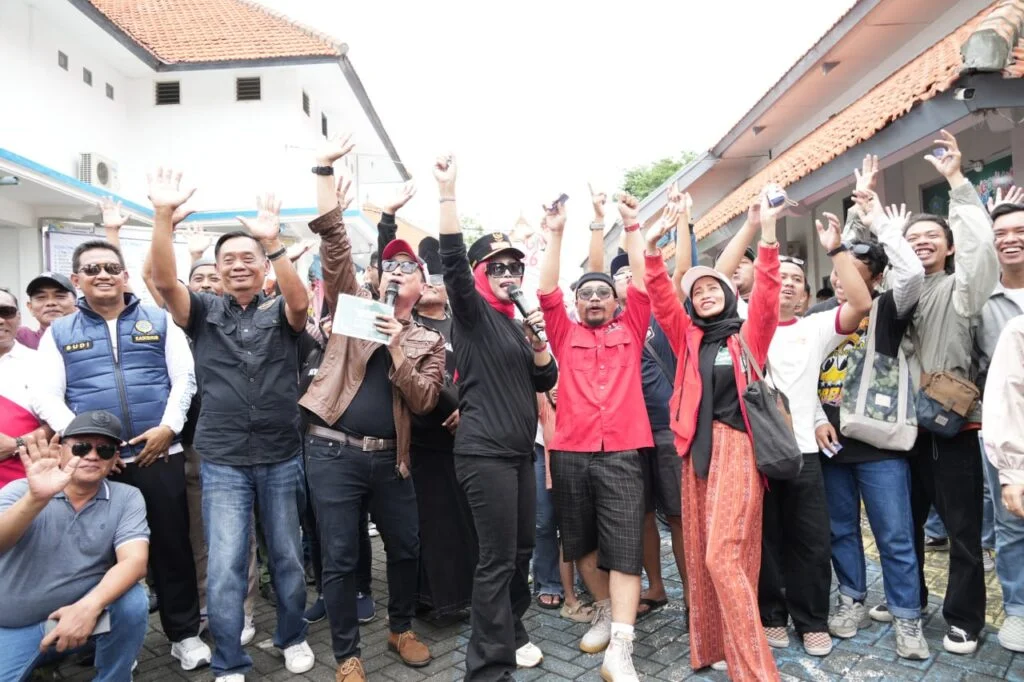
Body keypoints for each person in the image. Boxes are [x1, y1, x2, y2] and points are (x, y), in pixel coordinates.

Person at [147, 169, 315, 680]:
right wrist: (162, 217)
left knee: (287, 557)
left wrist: (275, 243)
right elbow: (163, 282)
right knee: (224, 566)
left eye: (248, 257)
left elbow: (301, 304)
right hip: (222, 459)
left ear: (264, 267)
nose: (238, 265)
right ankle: (228, 659)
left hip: (280, 454)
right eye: (228, 260)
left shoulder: (280, 310)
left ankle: (292, 636)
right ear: (217, 270)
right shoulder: (201, 311)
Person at [300, 139, 446, 682]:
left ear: (422, 285)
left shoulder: (428, 340)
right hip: (332, 454)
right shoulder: (354, 309)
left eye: (409, 267)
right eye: (391, 265)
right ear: (379, 277)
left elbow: (425, 400)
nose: (398, 271)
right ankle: (347, 655)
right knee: (339, 557)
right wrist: (324, 171)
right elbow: (335, 247)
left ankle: (400, 628)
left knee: (406, 547)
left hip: (392, 460)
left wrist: (396, 346)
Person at [31, 238, 210, 671]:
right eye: (92, 269)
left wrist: (168, 428)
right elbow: (45, 396)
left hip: (159, 455)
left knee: (171, 546)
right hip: (94, 464)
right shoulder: (60, 333)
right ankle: (115, 645)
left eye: (111, 267)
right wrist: (92, 445)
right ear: (77, 280)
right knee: (99, 556)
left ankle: (184, 634)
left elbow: (184, 379)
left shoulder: (160, 320)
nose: (103, 275)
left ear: (125, 275)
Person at [101, 197, 261, 644]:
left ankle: (243, 610)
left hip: (232, 445)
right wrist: (160, 226)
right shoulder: (176, 319)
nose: (208, 284)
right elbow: (154, 277)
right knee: (195, 536)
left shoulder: (241, 322)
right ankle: (206, 608)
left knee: (239, 535)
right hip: (186, 445)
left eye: (214, 277)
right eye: (199, 278)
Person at [643, 189, 782, 680]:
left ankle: (755, 669)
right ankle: (713, 646)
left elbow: (768, 292)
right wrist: (650, 243)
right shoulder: (688, 337)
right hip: (693, 454)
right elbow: (661, 294)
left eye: (712, 287)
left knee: (724, 555)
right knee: (707, 558)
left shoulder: (747, 335)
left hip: (738, 447)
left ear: (729, 293)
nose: (704, 293)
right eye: (697, 290)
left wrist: (767, 231)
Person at [435, 154, 558, 681]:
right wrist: (447, 193)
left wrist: (537, 341)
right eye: (497, 267)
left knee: (522, 550)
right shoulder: (472, 314)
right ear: (481, 275)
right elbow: (452, 263)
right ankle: (487, 669)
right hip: (483, 453)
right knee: (497, 559)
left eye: (515, 267)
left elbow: (546, 381)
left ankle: (511, 630)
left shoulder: (515, 323)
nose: (508, 275)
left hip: (518, 453)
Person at [537, 191, 655, 682]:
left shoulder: (632, 326)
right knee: (580, 544)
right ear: (577, 302)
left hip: (623, 451)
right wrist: (557, 231)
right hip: (570, 452)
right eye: (585, 293)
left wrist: (632, 224)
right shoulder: (564, 333)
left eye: (602, 293)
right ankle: (605, 610)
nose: (593, 299)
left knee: (624, 548)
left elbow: (643, 283)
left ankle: (621, 647)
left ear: (615, 301)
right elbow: (547, 290)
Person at [807, 188, 930, 659]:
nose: (842, 282)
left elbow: (912, 272)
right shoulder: (819, 316)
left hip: (880, 445)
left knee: (894, 535)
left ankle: (907, 618)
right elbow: (800, 378)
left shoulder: (890, 310)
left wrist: (878, 220)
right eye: (838, 274)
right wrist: (816, 418)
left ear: (877, 279)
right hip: (831, 445)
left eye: (855, 275)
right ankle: (851, 601)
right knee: (840, 530)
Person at [902, 130, 998, 655]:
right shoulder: (896, 294)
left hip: (950, 426)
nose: (922, 242)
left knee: (961, 530)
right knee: (904, 526)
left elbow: (982, 247)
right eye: (912, 237)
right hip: (897, 429)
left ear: (949, 246)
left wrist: (957, 181)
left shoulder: (961, 289)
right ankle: (910, 601)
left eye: (931, 236)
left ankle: (964, 618)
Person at [0, 412, 149, 682]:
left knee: (132, 601)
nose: (92, 456)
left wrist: (88, 607)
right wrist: (36, 500)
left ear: (115, 459)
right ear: (60, 451)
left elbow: (134, 561)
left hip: (82, 617)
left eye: (104, 450)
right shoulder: (21, 490)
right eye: (81, 447)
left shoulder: (126, 497)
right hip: (13, 625)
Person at [411, 236, 478, 617]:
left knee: (464, 521)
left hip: (468, 438)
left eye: (438, 278)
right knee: (429, 522)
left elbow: (486, 376)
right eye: (425, 277)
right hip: (421, 439)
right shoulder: (407, 326)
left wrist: (470, 409)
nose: (431, 284)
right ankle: (430, 600)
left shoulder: (465, 326)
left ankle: (464, 596)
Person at [972, 194, 1024, 652]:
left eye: (1019, 232)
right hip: (1003, 427)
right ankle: (1019, 609)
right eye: (1001, 234)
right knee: (1012, 522)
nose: (1010, 240)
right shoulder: (980, 299)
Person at [0, 288, 50, 487]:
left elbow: (60, 424)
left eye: (6, 312)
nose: (0, 320)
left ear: (19, 317)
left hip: (26, 484)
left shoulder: (42, 364)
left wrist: (16, 444)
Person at [16, 272, 77, 349]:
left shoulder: (90, 336)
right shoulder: (22, 340)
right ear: (30, 307)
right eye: (41, 297)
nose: (50, 303)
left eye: (60, 296)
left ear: (76, 303)